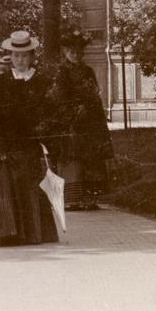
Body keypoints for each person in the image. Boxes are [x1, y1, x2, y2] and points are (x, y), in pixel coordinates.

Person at [0, 31, 59, 246]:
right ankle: (5, 233)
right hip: (6, 143)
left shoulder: (41, 81)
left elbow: (49, 112)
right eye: (15, 55)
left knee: (30, 184)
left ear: (32, 57)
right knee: (5, 186)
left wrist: (44, 137)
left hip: (29, 143)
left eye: (24, 56)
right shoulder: (2, 81)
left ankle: (32, 232)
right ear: (10, 57)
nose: (20, 60)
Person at [46, 31, 114, 211]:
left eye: (78, 52)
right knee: (72, 159)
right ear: (66, 52)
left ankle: (90, 198)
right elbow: (58, 97)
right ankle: (72, 199)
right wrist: (74, 110)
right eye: (72, 52)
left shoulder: (88, 71)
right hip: (70, 122)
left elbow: (95, 93)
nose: (75, 55)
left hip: (89, 121)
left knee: (91, 158)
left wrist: (92, 110)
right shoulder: (61, 72)